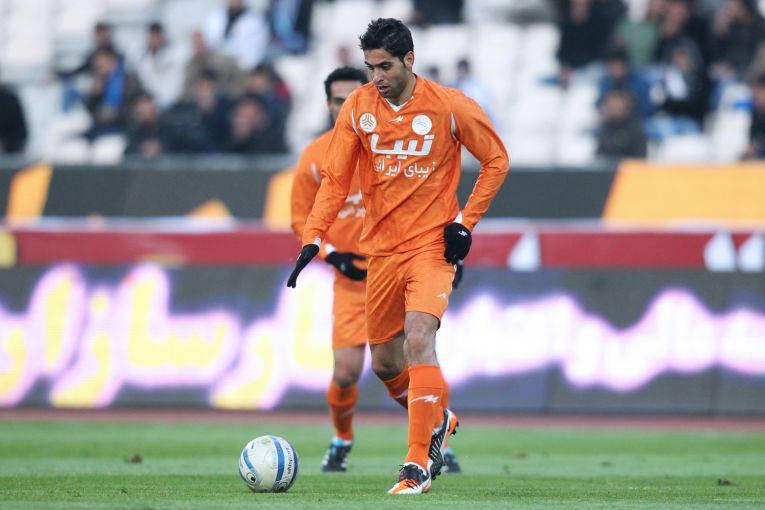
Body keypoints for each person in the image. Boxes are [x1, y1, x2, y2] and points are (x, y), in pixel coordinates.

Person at [286, 18, 508, 494]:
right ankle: (438, 418)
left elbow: (496, 160)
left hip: (431, 246)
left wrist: (465, 223)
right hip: (380, 252)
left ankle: (416, 465)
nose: (376, 77)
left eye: (384, 66)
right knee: (386, 364)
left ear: (409, 60)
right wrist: (314, 238)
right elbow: (336, 181)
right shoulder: (360, 108)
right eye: (370, 68)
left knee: (420, 338)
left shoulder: (450, 106)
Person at [290, 66, 370, 472]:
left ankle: (434, 437)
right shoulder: (314, 157)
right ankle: (342, 437)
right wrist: (332, 254)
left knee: (417, 357)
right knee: (346, 373)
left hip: (400, 270)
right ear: (327, 104)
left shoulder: (394, 146)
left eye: (354, 99)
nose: (346, 108)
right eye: (339, 101)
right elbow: (300, 220)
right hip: (351, 280)